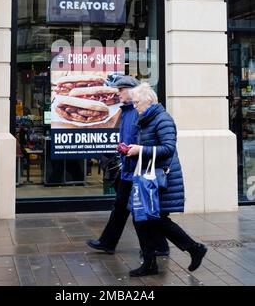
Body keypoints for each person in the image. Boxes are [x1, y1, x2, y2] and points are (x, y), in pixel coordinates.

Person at [126, 82, 207, 277]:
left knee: (155, 220)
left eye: (136, 102)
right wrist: (132, 150)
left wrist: (140, 150)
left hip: (161, 180)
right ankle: (152, 262)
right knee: (144, 219)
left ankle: (193, 248)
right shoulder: (147, 119)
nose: (134, 106)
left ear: (148, 100)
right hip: (150, 179)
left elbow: (168, 148)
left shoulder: (162, 119)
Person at [86, 76, 169, 256]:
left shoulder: (138, 111)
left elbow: (141, 139)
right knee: (122, 206)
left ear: (132, 92)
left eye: (121, 90)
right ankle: (108, 242)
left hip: (136, 168)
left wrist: (131, 153)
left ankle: (158, 247)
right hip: (128, 167)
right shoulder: (125, 111)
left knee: (139, 210)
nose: (118, 93)